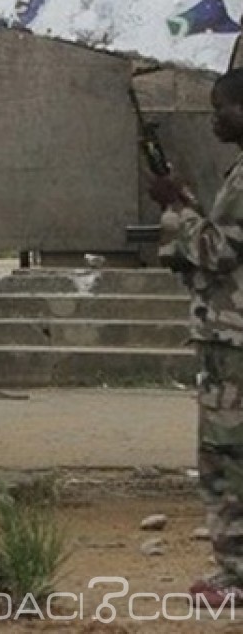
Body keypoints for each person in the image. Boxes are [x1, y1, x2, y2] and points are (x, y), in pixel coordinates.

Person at [152, 67, 243, 605]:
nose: (214, 120)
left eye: (222, 109)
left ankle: (234, 575)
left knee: (225, 457)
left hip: (233, 345)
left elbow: (218, 251)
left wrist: (174, 206)